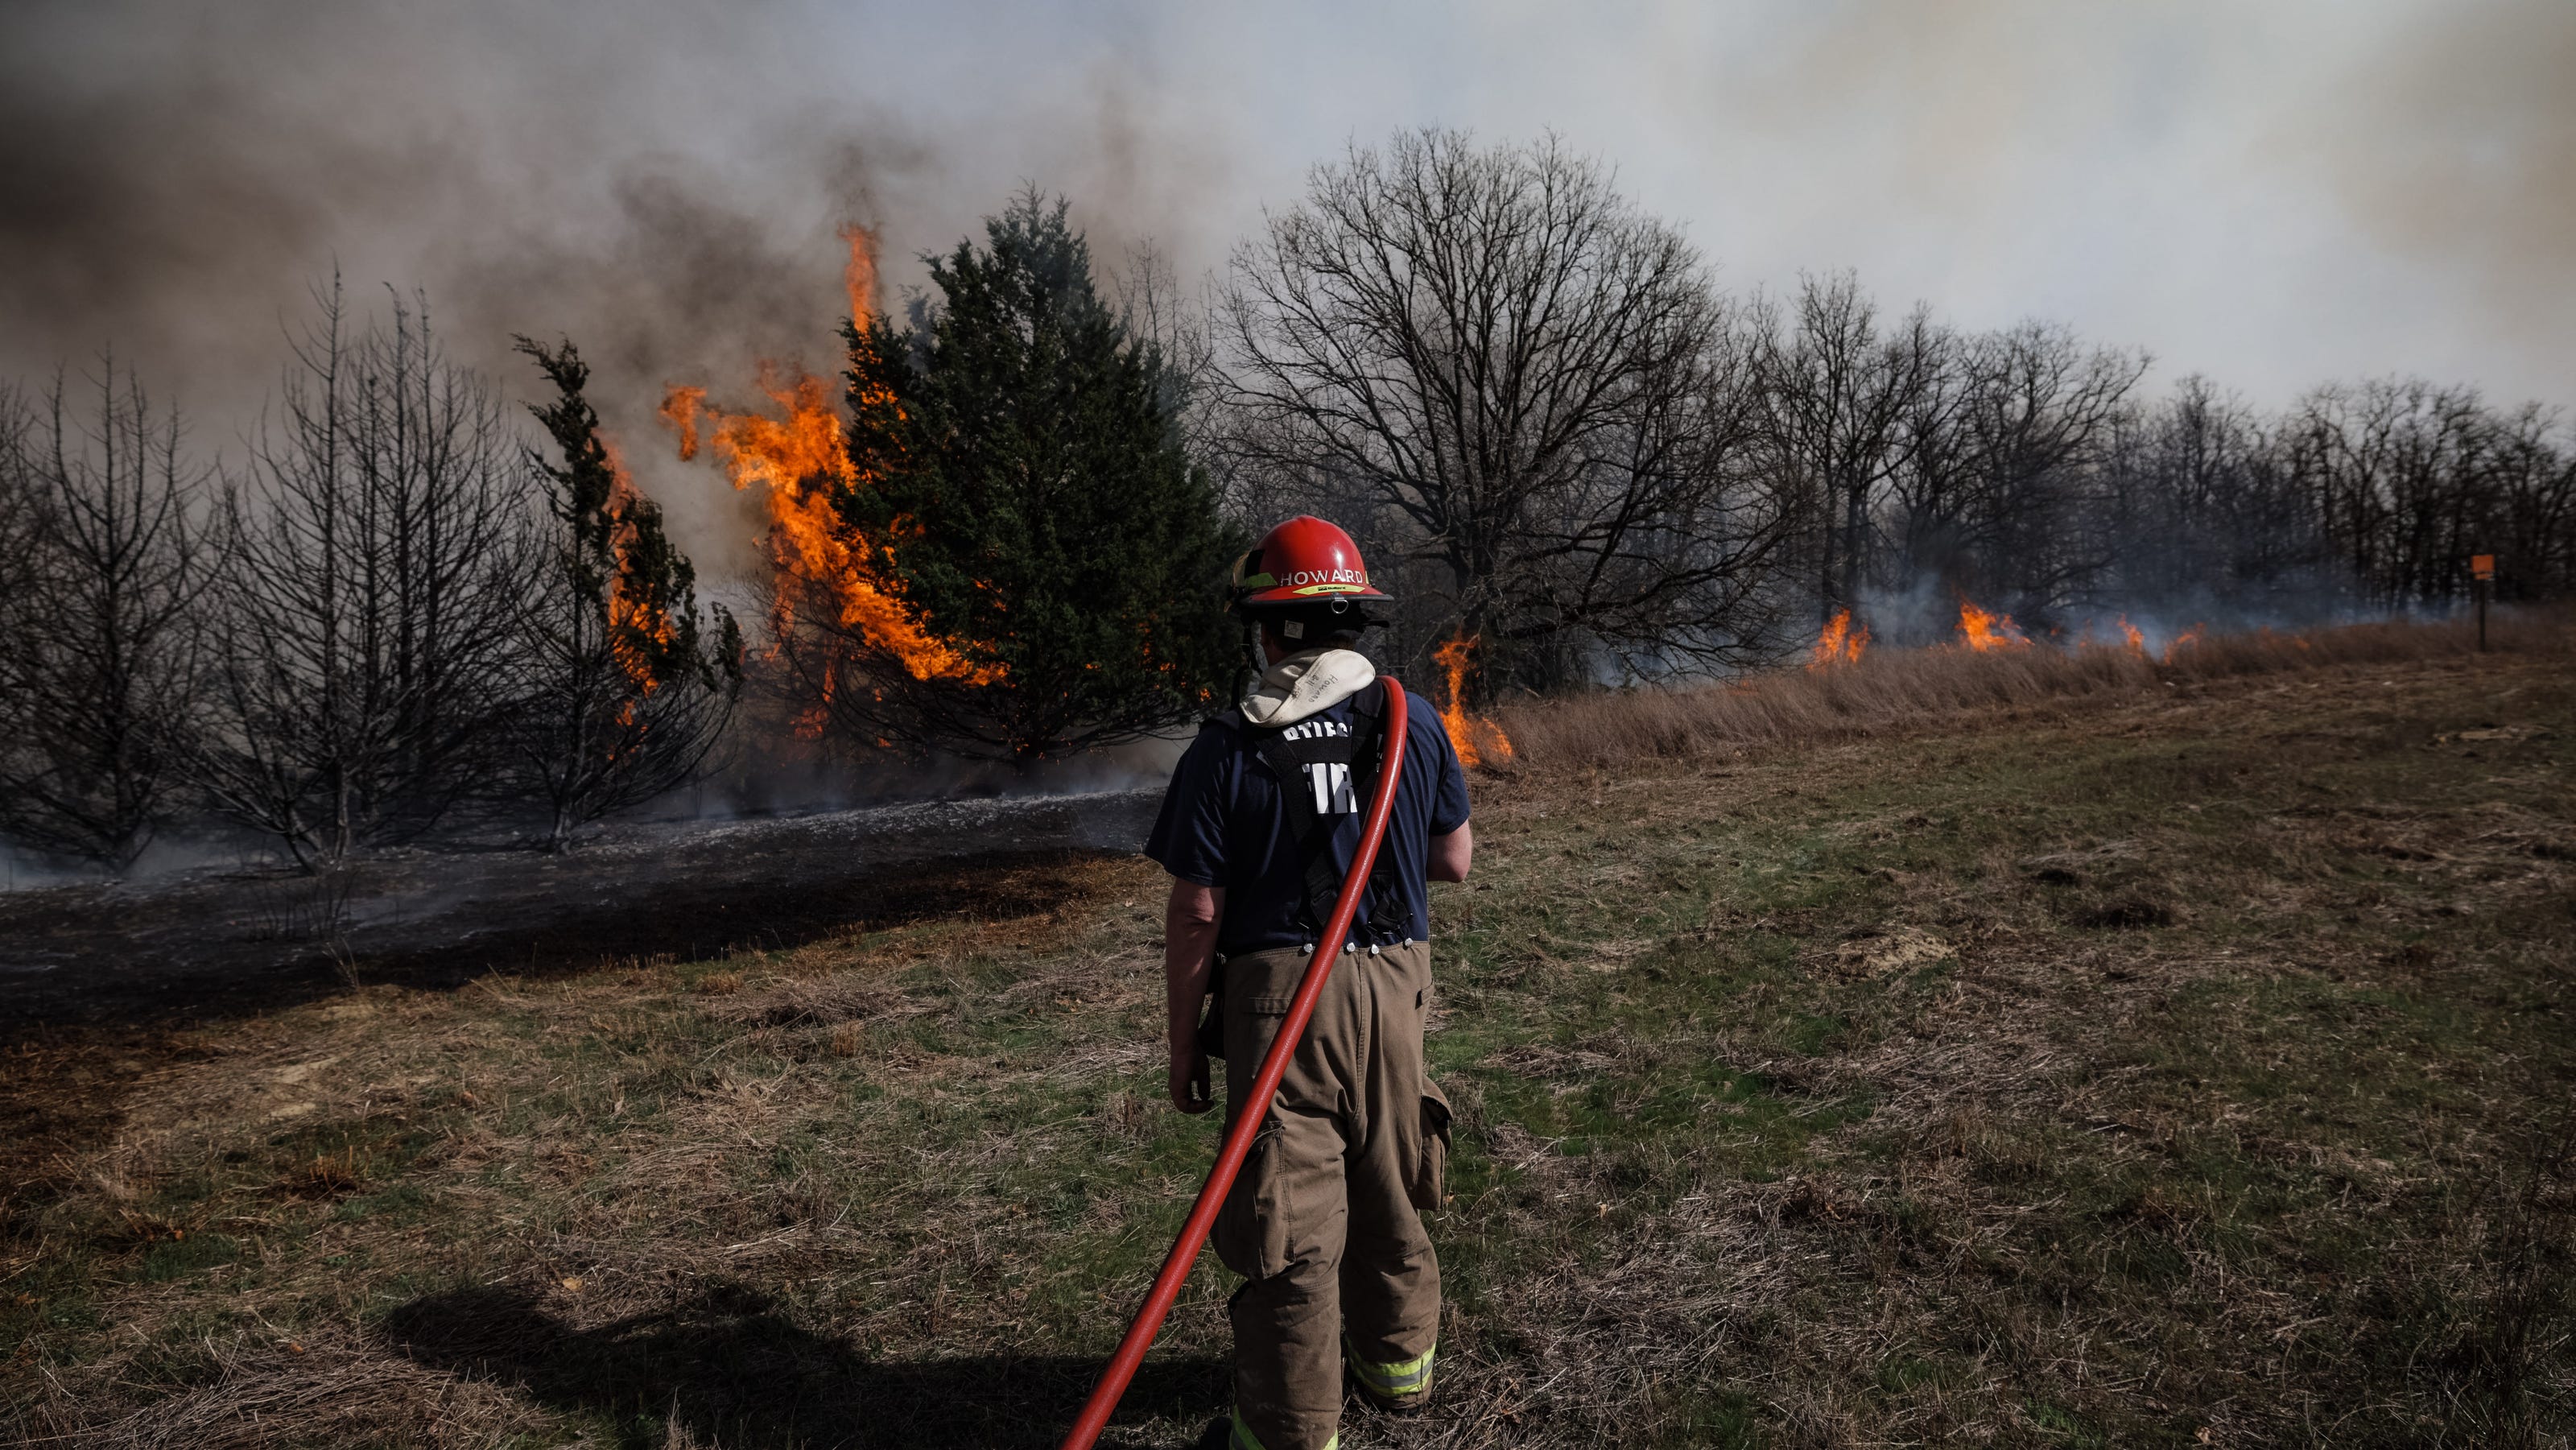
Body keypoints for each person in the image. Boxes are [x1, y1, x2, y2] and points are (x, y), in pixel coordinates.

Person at [1145, 515, 1474, 1450]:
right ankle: (1398, 1374)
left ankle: (1289, 1433)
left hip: (1283, 1001)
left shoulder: (1227, 748)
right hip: (1398, 987)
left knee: (1289, 1223)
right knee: (1389, 1182)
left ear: (1268, 627)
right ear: (1349, 621)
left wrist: (1180, 1047)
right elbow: (1452, 860)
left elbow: (1199, 911)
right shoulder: (1411, 722)